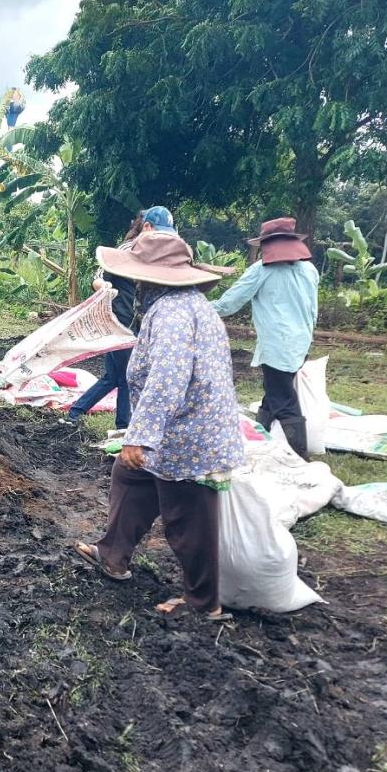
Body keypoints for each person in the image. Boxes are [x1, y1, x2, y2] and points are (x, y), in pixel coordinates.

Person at [74, 230, 243, 621]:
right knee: (130, 477)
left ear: (149, 278)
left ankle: (205, 604)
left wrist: (142, 436)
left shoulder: (171, 314)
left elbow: (168, 378)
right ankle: (112, 554)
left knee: (188, 517)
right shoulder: (186, 305)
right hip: (183, 426)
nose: (132, 281)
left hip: (186, 435)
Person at [211, 217, 319, 459]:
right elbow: (313, 309)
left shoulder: (261, 271)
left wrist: (199, 309)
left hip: (277, 345)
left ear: (266, 245)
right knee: (273, 392)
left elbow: (229, 304)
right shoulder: (309, 269)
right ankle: (261, 441)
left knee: (283, 399)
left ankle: (299, 456)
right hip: (301, 342)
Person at [64, 212, 145, 428]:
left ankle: (74, 412)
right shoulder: (124, 252)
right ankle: (123, 426)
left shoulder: (149, 256)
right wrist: (103, 286)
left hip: (134, 322)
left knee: (113, 376)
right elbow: (98, 278)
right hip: (119, 321)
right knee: (128, 375)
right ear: (146, 228)